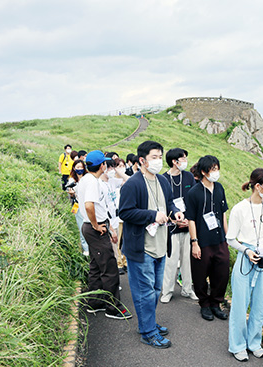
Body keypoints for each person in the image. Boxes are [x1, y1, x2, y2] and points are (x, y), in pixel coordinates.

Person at [119, 140, 184, 349]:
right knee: (145, 292)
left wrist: (175, 212)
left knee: (156, 290)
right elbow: (125, 212)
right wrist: (152, 215)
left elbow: (170, 202)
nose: (157, 161)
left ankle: (148, 323)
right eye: (154, 157)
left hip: (160, 246)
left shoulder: (163, 181)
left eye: (159, 156)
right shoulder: (133, 184)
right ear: (142, 160)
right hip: (142, 248)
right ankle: (148, 332)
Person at [227, 168, 263, 361]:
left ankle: (254, 342)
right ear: (258, 186)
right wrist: (247, 251)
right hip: (246, 258)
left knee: (260, 304)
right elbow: (231, 239)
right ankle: (238, 345)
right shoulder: (239, 209)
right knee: (241, 304)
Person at [78, 150, 132, 320]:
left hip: (91, 227)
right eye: (105, 163)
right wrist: (96, 224)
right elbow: (88, 206)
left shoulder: (86, 179)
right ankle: (113, 307)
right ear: (102, 165)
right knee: (109, 269)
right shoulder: (93, 182)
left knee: (95, 266)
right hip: (94, 228)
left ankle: (95, 303)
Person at [185, 155, 229, 321]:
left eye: (217, 169)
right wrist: (194, 242)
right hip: (202, 241)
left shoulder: (219, 188)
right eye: (212, 170)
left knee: (221, 273)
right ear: (204, 172)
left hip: (220, 240)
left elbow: (223, 213)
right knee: (200, 274)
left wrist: (228, 237)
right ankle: (204, 304)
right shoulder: (193, 193)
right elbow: (191, 219)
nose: (216, 173)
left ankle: (216, 303)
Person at [160, 148, 198, 303]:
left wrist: (188, 220)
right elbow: (162, 204)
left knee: (188, 261)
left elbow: (194, 200)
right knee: (170, 261)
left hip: (188, 225)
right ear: (174, 161)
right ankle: (167, 291)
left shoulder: (188, 177)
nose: (185, 160)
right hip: (171, 227)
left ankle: (187, 289)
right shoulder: (163, 179)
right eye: (183, 158)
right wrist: (173, 220)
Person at [66, 159, 89, 256]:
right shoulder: (72, 180)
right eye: (77, 167)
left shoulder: (88, 178)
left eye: (81, 167)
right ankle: (86, 249)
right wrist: (72, 194)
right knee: (81, 227)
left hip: (88, 205)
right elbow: (70, 195)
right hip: (78, 206)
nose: (79, 169)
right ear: (74, 168)